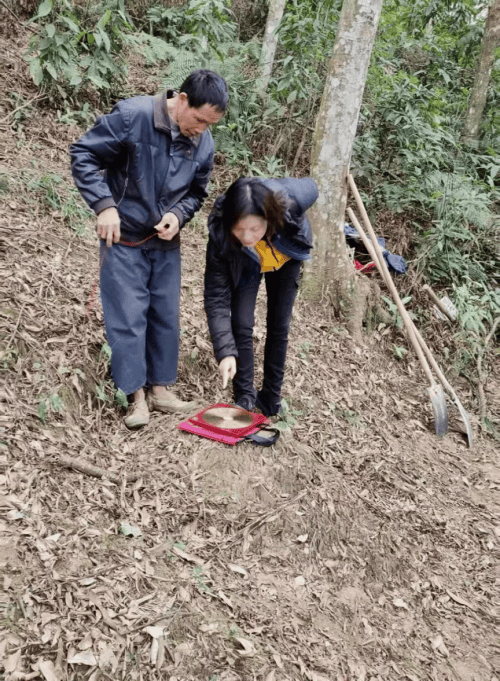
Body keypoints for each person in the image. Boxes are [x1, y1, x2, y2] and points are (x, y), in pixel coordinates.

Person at [70, 69, 228, 429]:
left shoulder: (203, 142)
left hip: (164, 241)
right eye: (199, 120)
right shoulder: (133, 116)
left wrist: (177, 214)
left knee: (165, 313)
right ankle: (135, 396)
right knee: (128, 314)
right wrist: (104, 205)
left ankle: (160, 389)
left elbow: (196, 193)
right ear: (182, 100)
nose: (201, 130)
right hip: (123, 236)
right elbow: (83, 154)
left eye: (210, 125)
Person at [204, 177, 318, 417]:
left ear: (269, 216)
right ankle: (245, 395)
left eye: (254, 228)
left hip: (285, 254)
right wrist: (225, 352)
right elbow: (216, 298)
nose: (247, 236)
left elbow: (313, 187)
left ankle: (270, 397)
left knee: (279, 325)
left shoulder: (289, 203)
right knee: (242, 322)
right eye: (239, 228)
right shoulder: (222, 235)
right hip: (247, 259)